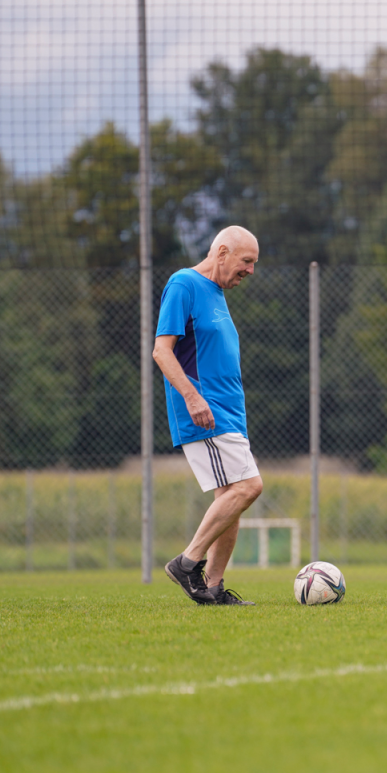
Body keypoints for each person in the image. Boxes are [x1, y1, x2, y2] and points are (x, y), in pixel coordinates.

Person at [154, 226, 264, 606]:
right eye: (246, 261)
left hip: (230, 413)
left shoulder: (216, 292)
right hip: (206, 413)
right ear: (221, 252)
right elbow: (162, 351)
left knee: (231, 498)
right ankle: (187, 563)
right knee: (249, 488)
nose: (250, 271)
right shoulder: (184, 284)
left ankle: (213, 588)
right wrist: (192, 398)